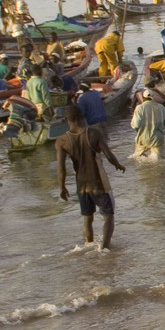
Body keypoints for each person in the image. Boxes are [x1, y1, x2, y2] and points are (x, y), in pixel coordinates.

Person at [55, 104, 126, 251]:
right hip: (98, 182)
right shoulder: (93, 133)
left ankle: (88, 247)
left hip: (81, 184)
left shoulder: (62, 141)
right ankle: (104, 249)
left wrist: (62, 187)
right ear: (81, 117)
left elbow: (61, 167)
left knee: (87, 218)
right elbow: (108, 154)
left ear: (66, 119)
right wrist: (118, 165)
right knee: (108, 216)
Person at [130, 87, 165, 159]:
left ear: (143, 97)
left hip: (143, 138)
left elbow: (135, 125)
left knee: (137, 158)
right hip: (157, 138)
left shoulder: (140, 108)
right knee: (157, 159)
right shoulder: (161, 107)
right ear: (152, 97)